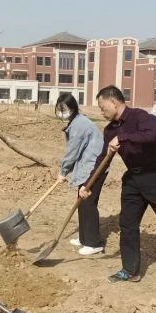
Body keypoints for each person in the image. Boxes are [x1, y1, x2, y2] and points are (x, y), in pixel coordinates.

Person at [80, 85, 156, 296]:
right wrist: (87, 184)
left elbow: (149, 135)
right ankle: (129, 270)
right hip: (133, 179)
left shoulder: (139, 116)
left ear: (113, 102)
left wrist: (123, 138)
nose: (101, 111)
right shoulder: (110, 130)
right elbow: (102, 159)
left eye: (102, 106)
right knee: (127, 225)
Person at [56, 94, 106, 256]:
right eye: (59, 110)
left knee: (88, 203)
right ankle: (84, 238)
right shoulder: (76, 121)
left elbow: (72, 151)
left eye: (64, 109)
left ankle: (94, 243)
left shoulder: (79, 125)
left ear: (73, 108)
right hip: (87, 166)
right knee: (82, 202)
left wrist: (63, 171)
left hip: (95, 167)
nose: (61, 113)